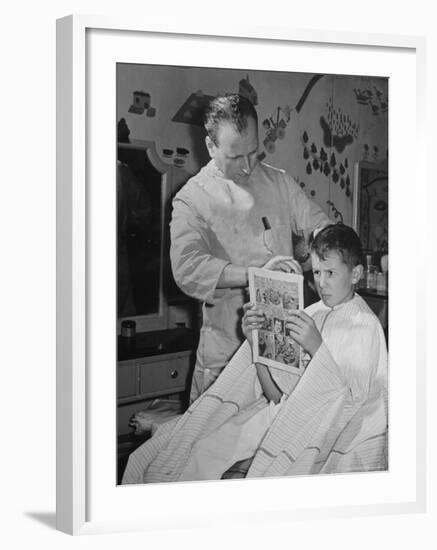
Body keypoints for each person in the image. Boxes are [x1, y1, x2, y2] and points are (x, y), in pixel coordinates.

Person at [122, 223, 388, 483]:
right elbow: (276, 395)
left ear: (355, 274)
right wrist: (257, 344)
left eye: (330, 273)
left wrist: (316, 348)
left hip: (314, 432)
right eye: (316, 272)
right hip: (279, 414)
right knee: (201, 451)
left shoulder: (365, 327)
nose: (321, 283)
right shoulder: (310, 315)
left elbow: (349, 409)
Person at [170, 93, 330, 402]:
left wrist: (320, 245)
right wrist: (255, 274)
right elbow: (187, 267)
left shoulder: (279, 182)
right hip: (226, 355)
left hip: (280, 351)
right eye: (234, 157)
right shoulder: (192, 198)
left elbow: (319, 226)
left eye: (253, 152)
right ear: (210, 146)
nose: (246, 167)